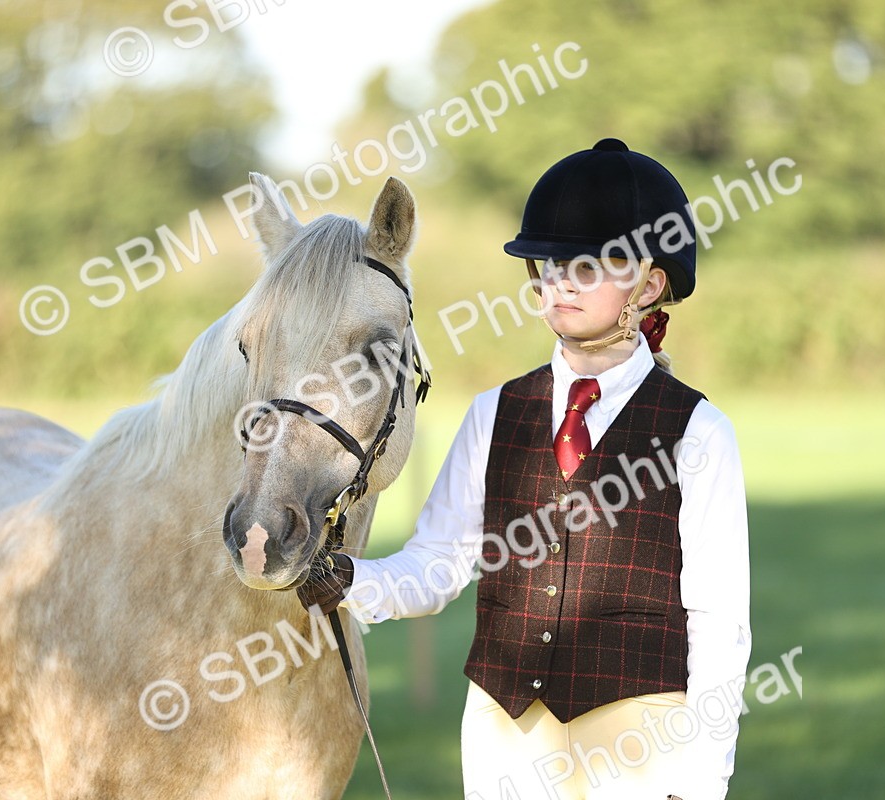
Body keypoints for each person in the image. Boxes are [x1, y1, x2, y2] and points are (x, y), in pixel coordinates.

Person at [299, 138, 752, 800]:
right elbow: (439, 563)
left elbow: (718, 621)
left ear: (650, 284)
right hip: (503, 734)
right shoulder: (494, 414)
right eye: (552, 263)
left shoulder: (699, 432)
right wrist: (351, 580)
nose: (561, 280)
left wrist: (703, 781)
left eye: (590, 265)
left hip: (641, 742)